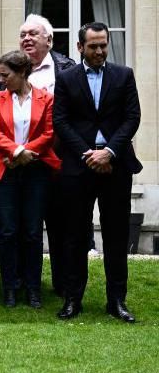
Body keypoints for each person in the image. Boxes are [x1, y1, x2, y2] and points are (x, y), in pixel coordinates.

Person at [53, 22, 141, 323]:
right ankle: (72, 300)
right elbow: (61, 122)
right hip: (78, 167)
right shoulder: (65, 79)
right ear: (80, 48)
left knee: (116, 235)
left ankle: (116, 301)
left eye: (103, 44)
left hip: (116, 165)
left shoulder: (124, 75)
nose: (100, 50)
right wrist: (88, 153)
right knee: (75, 235)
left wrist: (109, 152)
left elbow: (132, 118)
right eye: (93, 46)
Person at [0, 50, 60, 309]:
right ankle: (10, 288)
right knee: (7, 231)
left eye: (6, 75)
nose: (1, 79)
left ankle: (33, 288)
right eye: (0, 74)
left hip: (37, 171)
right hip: (3, 170)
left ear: (22, 73)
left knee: (32, 231)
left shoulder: (46, 99)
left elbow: (50, 133)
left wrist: (27, 154)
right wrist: (17, 152)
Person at [20, 13, 77, 295]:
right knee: (24, 225)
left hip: (57, 157)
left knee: (59, 222)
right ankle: (23, 282)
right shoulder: (11, 69)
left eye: (33, 34)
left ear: (49, 40)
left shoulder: (66, 69)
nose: (26, 39)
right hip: (20, 160)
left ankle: (63, 283)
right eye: (23, 35)